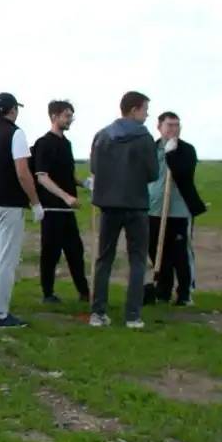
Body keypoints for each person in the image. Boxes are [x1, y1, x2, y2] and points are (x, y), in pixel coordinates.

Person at [0, 93, 43, 328]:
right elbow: (23, 171)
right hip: (8, 204)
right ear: (12, 110)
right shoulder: (16, 133)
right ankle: (0, 314)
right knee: (5, 260)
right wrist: (35, 202)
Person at [89, 91, 159, 329]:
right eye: (145, 109)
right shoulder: (144, 138)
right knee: (137, 260)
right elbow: (153, 173)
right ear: (133, 110)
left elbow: (94, 168)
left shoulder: (102, 136)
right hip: (136, 204)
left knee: (104, 260)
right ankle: (133, 316)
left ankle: (98, 313)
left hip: (108, 204)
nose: (147, 114)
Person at [33, 100, 90, 304]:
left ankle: (84, 292)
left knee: (76, 250)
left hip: (67, 210)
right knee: (51, 253)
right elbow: (42, 176)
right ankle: (47, 293)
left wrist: (84, 183)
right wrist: (65, 196)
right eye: (67, 115)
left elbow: (67, 174)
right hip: (51, 207)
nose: (70, 119)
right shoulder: (44, 143)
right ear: (54, 116)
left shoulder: (66, 143)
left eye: (71, 115)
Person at [148, 112, 207, 306]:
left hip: (179, 211)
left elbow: (183, 173)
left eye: (177, 125)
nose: (174, 129)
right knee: (157, 251)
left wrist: (171, 154)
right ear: (159, 127)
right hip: (153, 210)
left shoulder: (186, 150)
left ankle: (184, 293)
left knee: (180, 254)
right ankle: (163, 291)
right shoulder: (150, 148)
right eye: (170, 125)